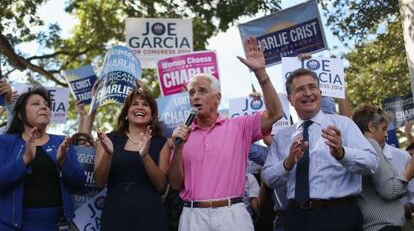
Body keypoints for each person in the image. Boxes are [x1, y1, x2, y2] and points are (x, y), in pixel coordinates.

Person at [169, 36, 284, 231]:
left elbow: (275, 113)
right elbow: (174, 183)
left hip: (232, 215)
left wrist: (261, 73)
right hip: (193, 216)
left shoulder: (239, 127)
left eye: (202, 91)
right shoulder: (182, 135)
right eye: (191, 92)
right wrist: (178, 148)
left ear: (217, 98)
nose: (195, 96)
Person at [262, 68, 379, 231]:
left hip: (339, 216)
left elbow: (371, 164)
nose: (308, 93)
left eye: (312, 87)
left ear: (320, 92)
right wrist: (287, 164)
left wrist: (342, 153)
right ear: (290, 98)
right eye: (301, 89)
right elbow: (268, 178)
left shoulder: (343, 124)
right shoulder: (282, 136)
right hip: (296, 218)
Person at [0, 86, 86, 230]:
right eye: (36, 103)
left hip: (55, 225)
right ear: (20, 115)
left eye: (46, 105)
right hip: (12, 225)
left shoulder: (62, 142)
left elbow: (79, 183)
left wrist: (64, 162)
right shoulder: (5, 142)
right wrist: (25, 160)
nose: (43, 107)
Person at [94, 86, 170, 231]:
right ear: (126, 112)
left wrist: (145, 156)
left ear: (152, 113)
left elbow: (161, 185)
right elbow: (99, 182)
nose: (140, 107)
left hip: (151, 219)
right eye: (134, 104)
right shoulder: (108, 140)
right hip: (115, 217)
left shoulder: (161, 142)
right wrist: (109, 155)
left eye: (145, 104)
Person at [352, 105, 414, 231]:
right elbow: (389, 190)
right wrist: (408, 173)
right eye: (384, 129)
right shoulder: (370, 145)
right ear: (371, 127)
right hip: (384, 226)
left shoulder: (352, 150)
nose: (386, 134)